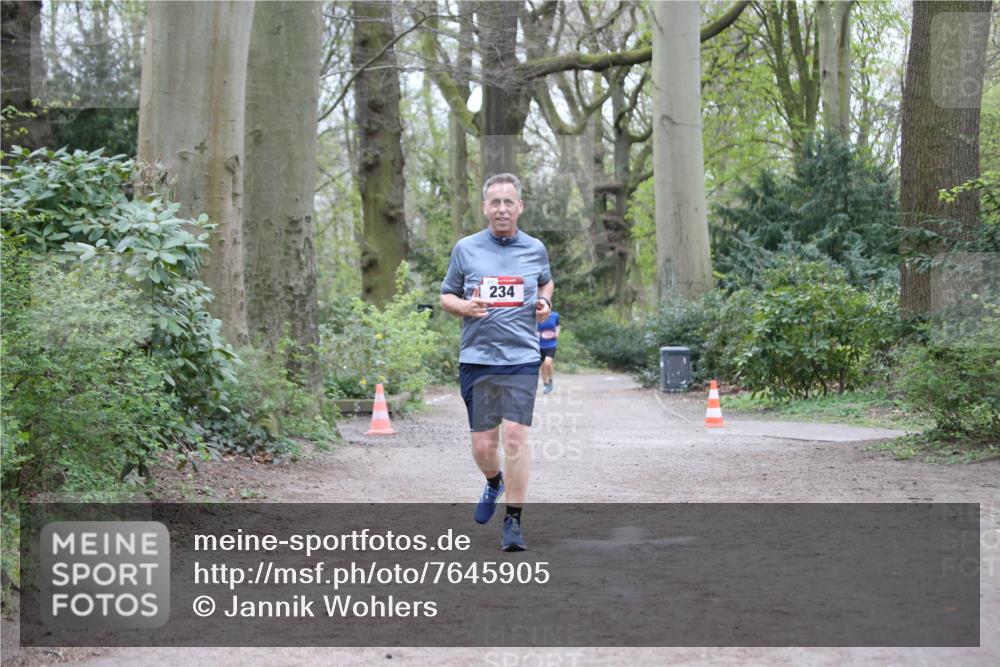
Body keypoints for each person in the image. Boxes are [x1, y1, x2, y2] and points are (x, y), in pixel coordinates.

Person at [440, 173, 554, 552]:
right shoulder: (466, 248)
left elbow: (544, 283)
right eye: (495, 202)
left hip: (521, 357)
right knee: (484, 447)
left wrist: (544, 303)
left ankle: (514, 522)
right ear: (485, 207)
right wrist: (465, 306)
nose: (502, 209)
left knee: (516, 438)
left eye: (509, 202)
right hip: (478, 358)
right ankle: (493, 480)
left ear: (520, 206)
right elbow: (446, 295)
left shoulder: (535, 248)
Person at [537, 311, 560, 394]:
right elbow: (533, 329)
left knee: (548, 363)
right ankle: (545, 384)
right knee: (542, 367)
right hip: (540, 346)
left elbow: (557, 325)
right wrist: (536, 333)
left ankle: (550, 381)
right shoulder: (537, 316)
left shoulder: (555, 315)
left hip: (551, 345)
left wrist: (557, 332)